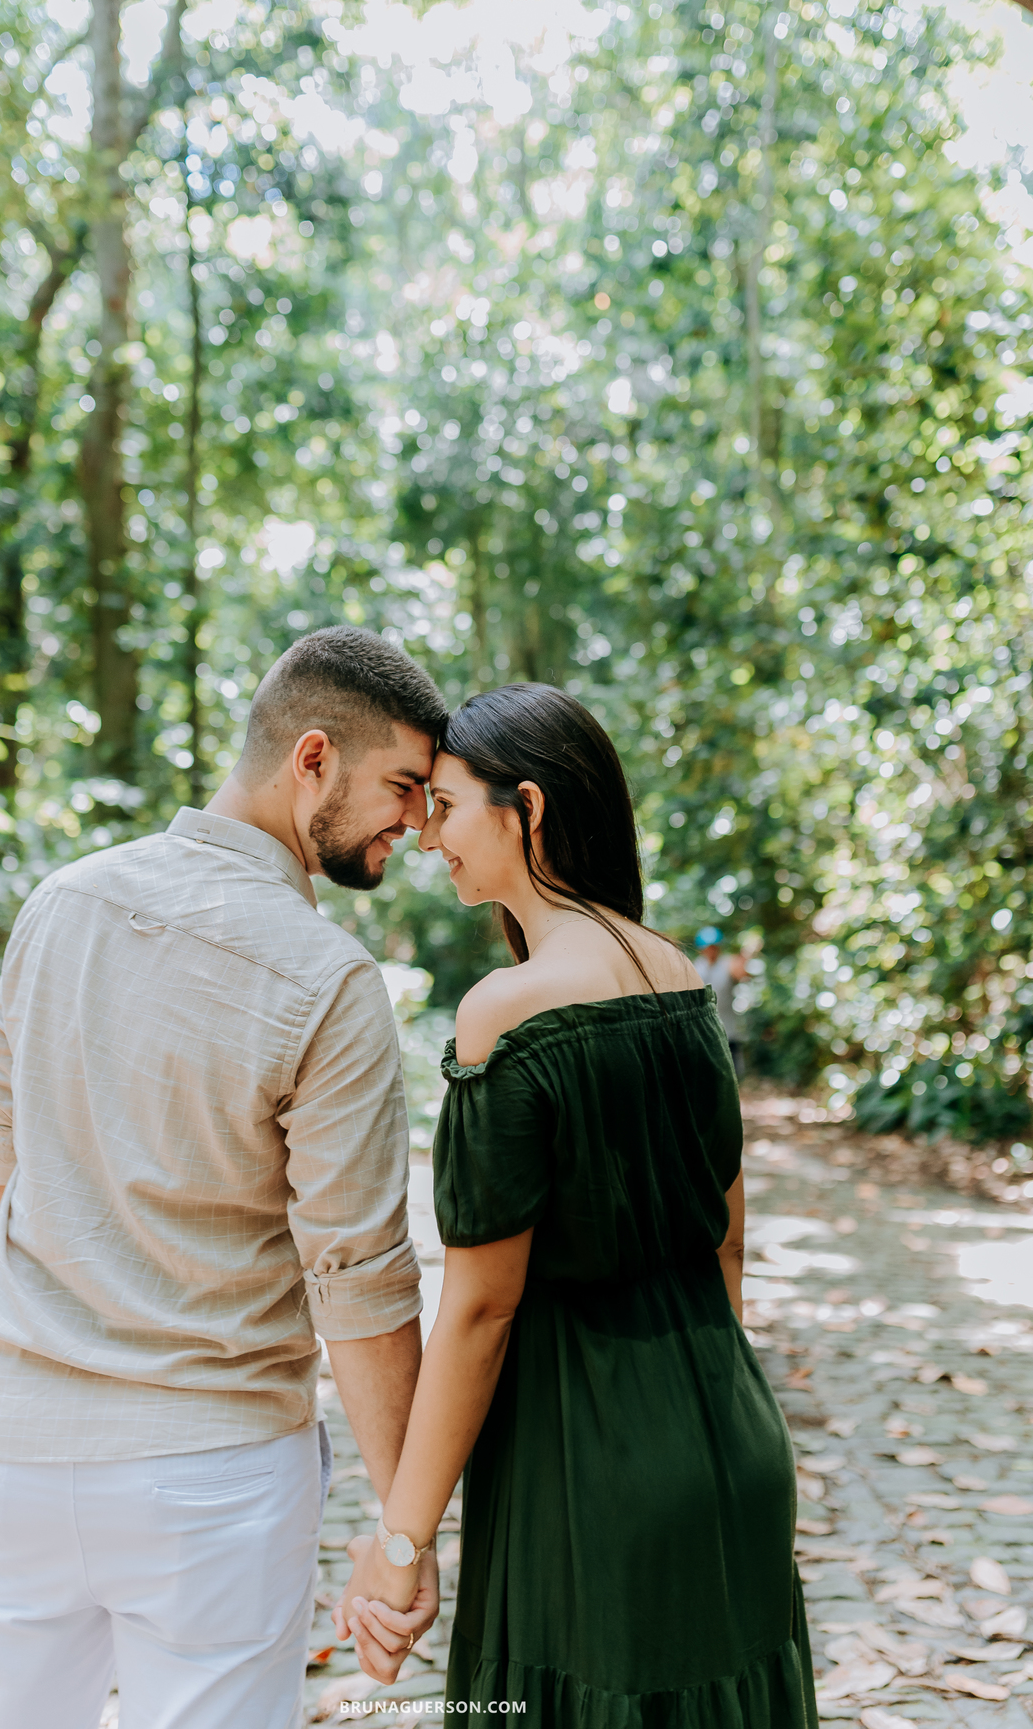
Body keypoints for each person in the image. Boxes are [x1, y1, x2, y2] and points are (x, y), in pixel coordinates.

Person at [0, 627, 443, 1729]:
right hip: (209, 1478)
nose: (416, 820)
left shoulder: (59, 903)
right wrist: (405, 1531)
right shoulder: (329, 980)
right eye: (402, 786)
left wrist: (62, 1348)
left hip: (10, 1449)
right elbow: (357, 1276)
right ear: (313, 757)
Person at [336, 682, 817, 1726]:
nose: (428, 839)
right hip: (729, 1442)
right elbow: (726, 1244)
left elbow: (479, 1308)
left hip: (586, 1470)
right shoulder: (678, 977)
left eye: (450, 807)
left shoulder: (504, 1013)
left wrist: (401, 1539)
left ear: (531, 808)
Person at [695, 925, 750, 1077]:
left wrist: (744, 959)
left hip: (728, 1029)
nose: (711, 951)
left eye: (714, 947)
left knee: (732, 1073)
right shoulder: (696, 967)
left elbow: (742, 975)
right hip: (704, 1030)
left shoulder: (729, 963)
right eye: (708, 947)